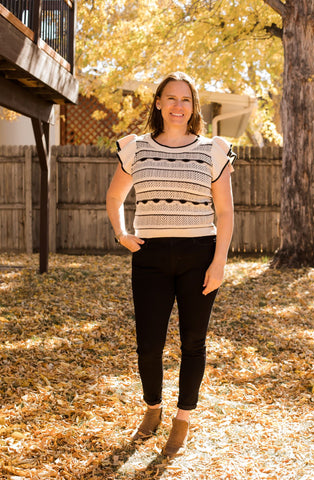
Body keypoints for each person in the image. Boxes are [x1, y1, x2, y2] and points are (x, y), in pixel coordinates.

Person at [106, 71, 235, 457]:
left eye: (186, 100)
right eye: (171, 98)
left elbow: (226, 213)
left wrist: (219, 263)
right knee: (149, 345)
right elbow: (114, 198)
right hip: (150, 258)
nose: (179, 106)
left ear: (194, 107)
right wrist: (122, 233)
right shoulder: (135, 147)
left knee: (193, 342)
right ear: (158, 103)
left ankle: (182, 419)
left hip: (200, 256)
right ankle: (152, 409)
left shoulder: (214, 150)